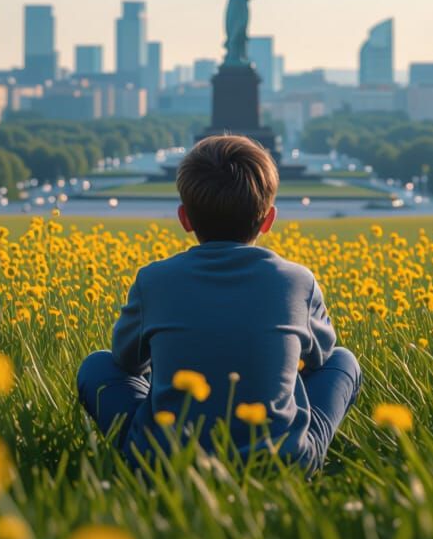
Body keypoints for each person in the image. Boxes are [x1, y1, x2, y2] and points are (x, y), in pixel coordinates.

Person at [77, 135, 361, 473]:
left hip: (164, 461)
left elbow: (126, 362)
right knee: (344, 361)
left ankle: (147, 454)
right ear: (268, 220)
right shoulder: (297, 281)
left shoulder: (153, 280)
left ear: (185, 219)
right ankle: (295, 452)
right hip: (282, 463)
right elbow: (321, 360)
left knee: (97, 367)